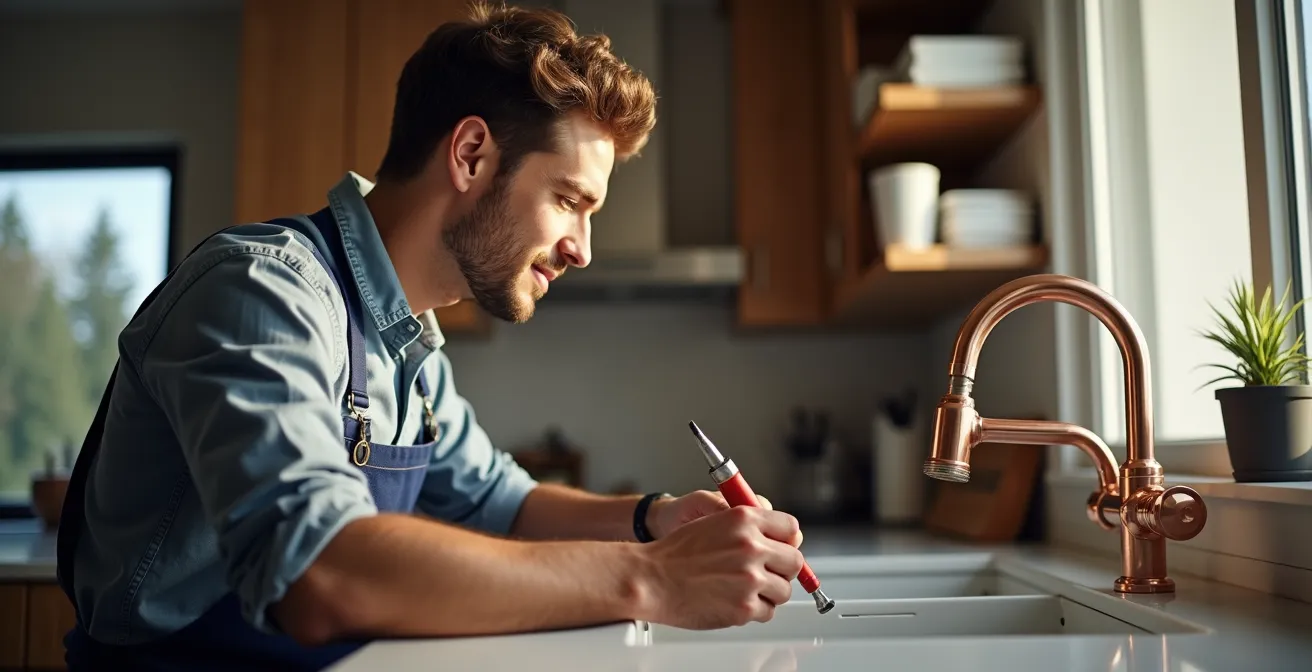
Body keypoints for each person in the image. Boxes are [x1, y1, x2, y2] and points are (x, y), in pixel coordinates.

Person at [55, 3, 807, 670]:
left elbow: (499, 502)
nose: (583, 247)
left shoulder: (408, 341)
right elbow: (320, 573)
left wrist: (655, 518)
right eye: (569, 201)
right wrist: (654, 578)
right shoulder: (262, 293)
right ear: (471, 154)